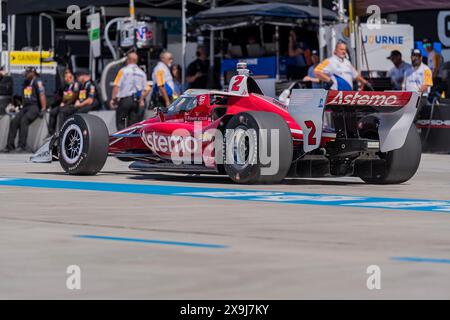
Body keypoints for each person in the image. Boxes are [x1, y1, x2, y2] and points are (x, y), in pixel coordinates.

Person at [1, 67, 47, 153]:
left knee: (24, 120)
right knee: (14, 120)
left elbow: (42, 95)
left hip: (34, 107)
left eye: (27, 73)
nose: (25, 75)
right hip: (25, 107)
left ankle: (22, 146)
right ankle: (10, 146)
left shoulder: (38, 81)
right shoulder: (26, 82)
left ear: (32, 72)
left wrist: (43, 108)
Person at [111, 52, 150, 131]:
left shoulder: (123, 71)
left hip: (125, 99)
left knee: (120, 122)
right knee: (133, 124)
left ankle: (120, 140)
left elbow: (116, 85)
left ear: (128, 60)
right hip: (136, 101)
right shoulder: (142, 73)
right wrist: (141, 99)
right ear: (136, 61)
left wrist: (113, 99)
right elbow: (146, 89)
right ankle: (131, 141)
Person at [48, 69, 80, 135]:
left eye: (68, 77)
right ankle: (51, 133)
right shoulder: (66, 86)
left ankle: (61, 131)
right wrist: (62, 102)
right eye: (65, 77)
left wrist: (66, 104)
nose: (66, 79)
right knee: (53, 112)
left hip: (72, 104)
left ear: (72, 77)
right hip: (66, 104)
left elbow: (74, 96)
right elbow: (64, 96)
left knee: (62, 112)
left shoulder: (76, 85)